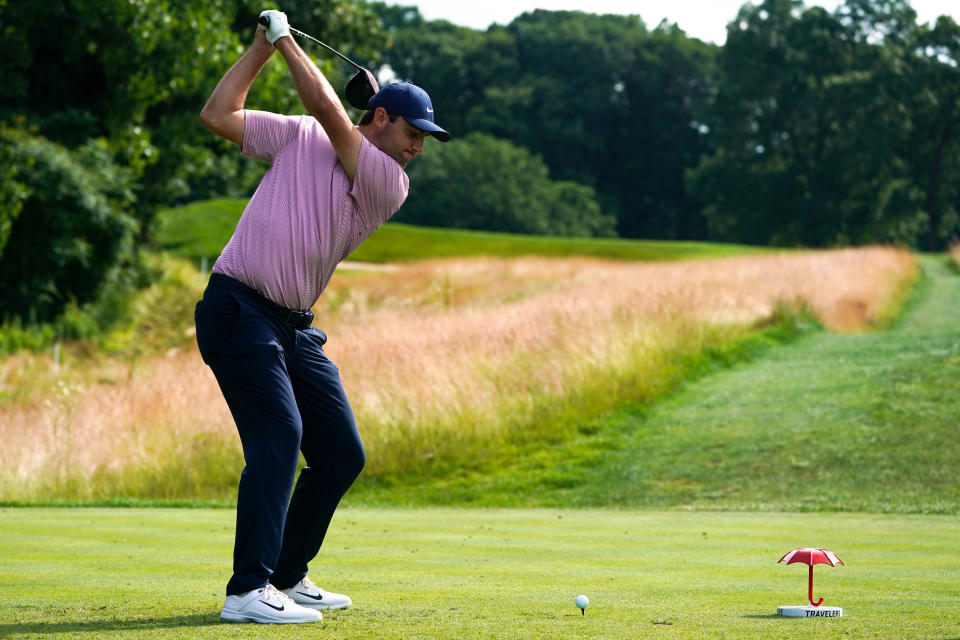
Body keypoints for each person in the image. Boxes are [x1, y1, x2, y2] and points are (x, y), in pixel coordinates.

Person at [194, 10, 449, 624]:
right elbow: (217, 115)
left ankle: (285, 574)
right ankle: (247, 591)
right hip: (237, 306)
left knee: (340, 453)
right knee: (280, 438)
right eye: (414, 131)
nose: (419, 147)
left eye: (425, 139)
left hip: (291, 325)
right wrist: (260, 49)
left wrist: (284, 40)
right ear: (381, 117)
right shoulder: (299, 137)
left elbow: (334, 114)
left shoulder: (388, 181)